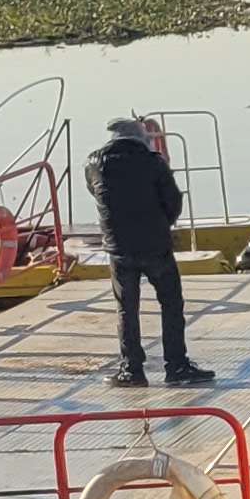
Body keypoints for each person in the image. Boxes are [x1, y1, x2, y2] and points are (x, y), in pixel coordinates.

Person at [83, 115, 212, 389]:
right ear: (140, 137)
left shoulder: (93, 164)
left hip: (118, 248)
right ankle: (176, 366)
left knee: (126, 309)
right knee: (171, 304)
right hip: (155, 245)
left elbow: (96, 194)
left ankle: (132, 370)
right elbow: (173, 202)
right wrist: (162, 224)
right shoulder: (154, 163)